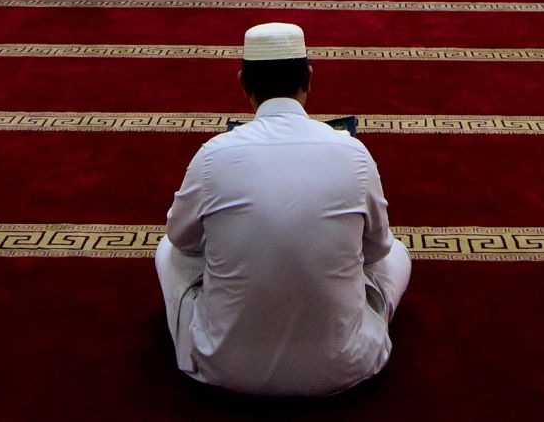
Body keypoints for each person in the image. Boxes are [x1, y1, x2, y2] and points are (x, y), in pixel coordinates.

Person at [156, 22, 411, 397]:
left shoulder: (213, 155)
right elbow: (375, 251)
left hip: (222, 365)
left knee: (167, 252)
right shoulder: (352, 153)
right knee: (397, 253)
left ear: (243, 83)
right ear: (309, 78)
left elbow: (182, 240)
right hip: (345, 366)